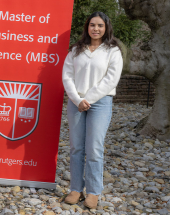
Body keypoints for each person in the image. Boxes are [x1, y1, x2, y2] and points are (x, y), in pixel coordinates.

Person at [62, 11, 123, 209]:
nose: (95, 29)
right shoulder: (76, 50)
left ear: (106, 28)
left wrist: (88, 99)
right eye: (92, 25)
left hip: (100, 102)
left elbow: (111, 79)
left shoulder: (112, 51)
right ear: (87, 27)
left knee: (94, 148)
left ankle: (94, 192)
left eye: (100, 25)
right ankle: (76, 189)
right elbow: (67, 76)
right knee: (76, 147)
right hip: (76, 102)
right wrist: (78, 99)